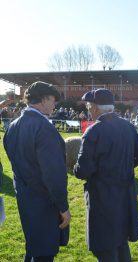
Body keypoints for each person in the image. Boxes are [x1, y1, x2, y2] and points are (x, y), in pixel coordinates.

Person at [73, 88, 138, 262]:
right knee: (121, 243)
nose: (88, 110)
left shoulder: (93, 131)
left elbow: (83, 170)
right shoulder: (128, 126)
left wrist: (75, 168)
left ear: (96, 108)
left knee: (106, 248)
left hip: (102, 196)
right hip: (124, 194)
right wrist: (123, 167)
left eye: (89, 107)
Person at [4, 81, 71, 262]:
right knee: (43, 252)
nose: (54, 104)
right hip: (44, 201)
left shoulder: (13, 126)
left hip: (25, 197)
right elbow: (53, 174)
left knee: (33, 247)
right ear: (43, 99)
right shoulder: (44, 127)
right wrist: (63, 207)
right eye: (52, 100)